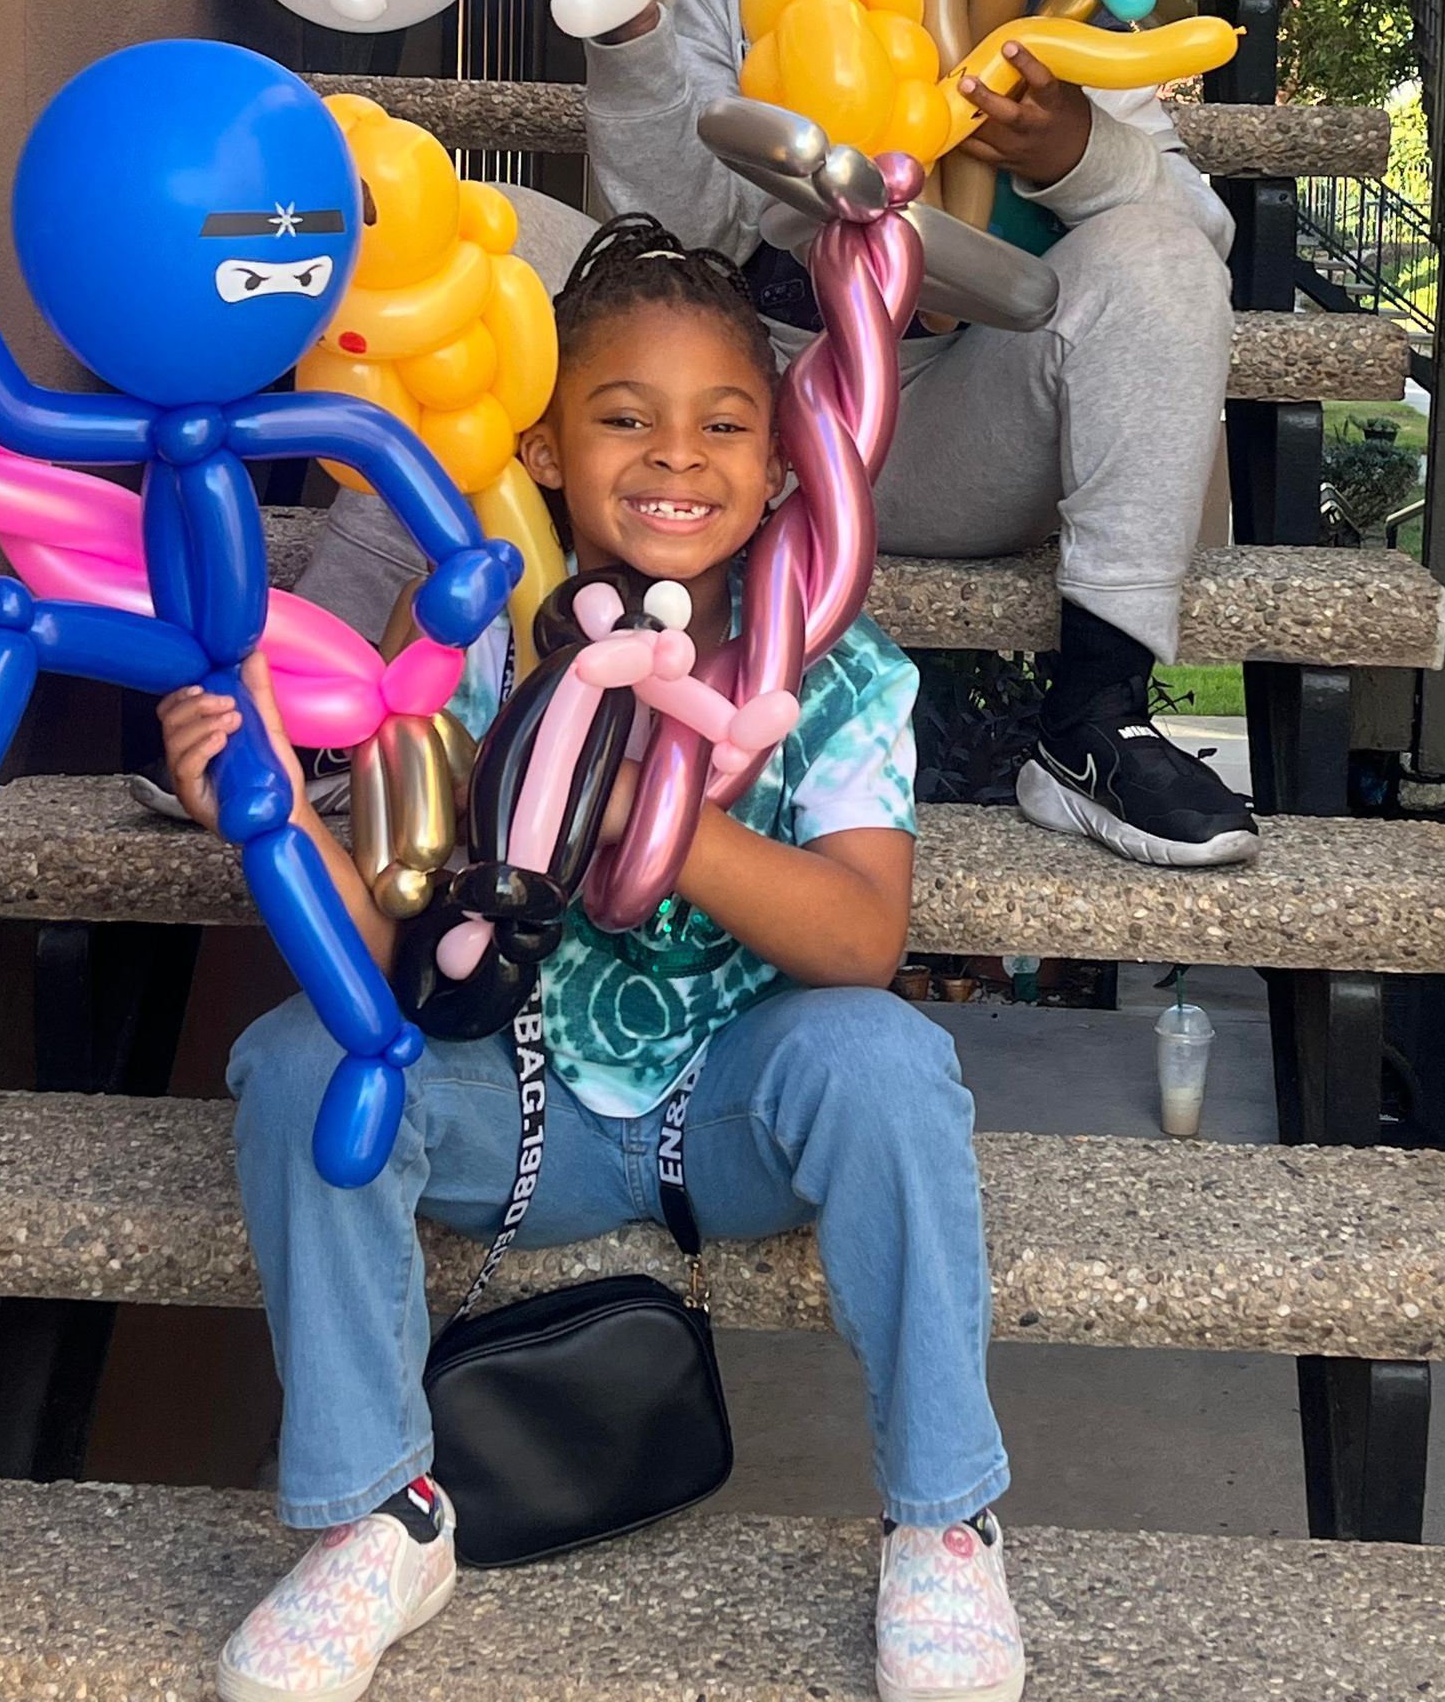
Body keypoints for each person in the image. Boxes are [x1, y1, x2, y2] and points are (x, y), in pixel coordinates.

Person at [165, 218, 1025, 1702]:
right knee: (305, 1067)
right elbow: (371, 960)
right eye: (623, 418)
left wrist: (651, 813)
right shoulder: (476, 652)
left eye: (723, 427)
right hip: (519, 1112)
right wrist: (258, 815)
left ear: (776, 474)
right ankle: (381, 1514)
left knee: (888, 1064)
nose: (674, 458)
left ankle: (945, 1521)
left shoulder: (834, 671)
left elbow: (862, 940)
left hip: (734, 1115)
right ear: (550, 450)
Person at [300, 0, 1253, 869]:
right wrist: (635, 27)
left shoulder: (1053, 8)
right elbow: (656, 236)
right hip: (730, 401)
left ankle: (1095, 717)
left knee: (1153, 254)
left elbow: (1188, 233)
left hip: (943, 428)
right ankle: (331, 683)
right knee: (476, 243)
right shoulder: (718, 4)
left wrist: (1069, 152)